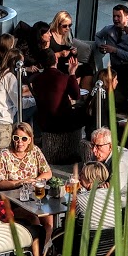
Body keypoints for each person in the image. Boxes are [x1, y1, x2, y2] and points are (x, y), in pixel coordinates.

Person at [28, 22, 85, 165]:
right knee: (83, 111)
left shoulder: (36, 79)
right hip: (62, 122)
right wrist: (72, 73)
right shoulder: (64, 78)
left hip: (44, 122)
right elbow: (77, 96)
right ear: (56, 60)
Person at [94, 4, 128, 100]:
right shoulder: (109, 29)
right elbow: (98, 36)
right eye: (114, 16)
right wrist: (101, 46)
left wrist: (114, 50)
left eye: (118, 16)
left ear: (127, 17)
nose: (115, 19)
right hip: (115, 68)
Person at [80, 126, 128, 203]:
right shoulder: (98, 154)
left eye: (98, 146)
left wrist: (93, 186)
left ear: (110, 146)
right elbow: (86, 173)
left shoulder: (121, 161)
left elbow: (111, 191)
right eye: (92, 145)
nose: (93, 150)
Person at [0, 123, 52, 191]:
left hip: (32, 191)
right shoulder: (4, 155)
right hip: (12, 193)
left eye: (24, 139)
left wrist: (35, 182)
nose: (20, 142)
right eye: (16, 138)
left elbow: (48, 173)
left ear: (30, 140)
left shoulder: (35, 150)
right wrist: (20, 183)